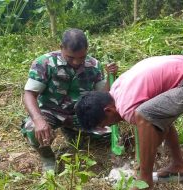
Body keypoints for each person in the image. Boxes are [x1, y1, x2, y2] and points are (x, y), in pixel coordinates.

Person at [76, 55, 183, 189]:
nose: (111, 126)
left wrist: (143, 171)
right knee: (157, 117)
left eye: (105, 124)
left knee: (143, 115)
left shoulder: (126, 107)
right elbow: (160, 128)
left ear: (108, 111)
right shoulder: (117, 88)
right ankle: (178, 164)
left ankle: (146, 179)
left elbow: (154, 135)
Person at [21, 28, 118, 172]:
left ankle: (71, 131)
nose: (76, 62)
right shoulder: (45, 62)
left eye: (81, 57)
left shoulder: (94, 65)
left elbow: (101, 96)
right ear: (61, 48)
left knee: (107, 134)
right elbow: (29, 94)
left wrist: (111, 77)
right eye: (71, 57)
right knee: (33, 129)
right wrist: (38, 120)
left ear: (87, 50)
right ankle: (47, 156)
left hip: (79, 113)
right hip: (50, 112)